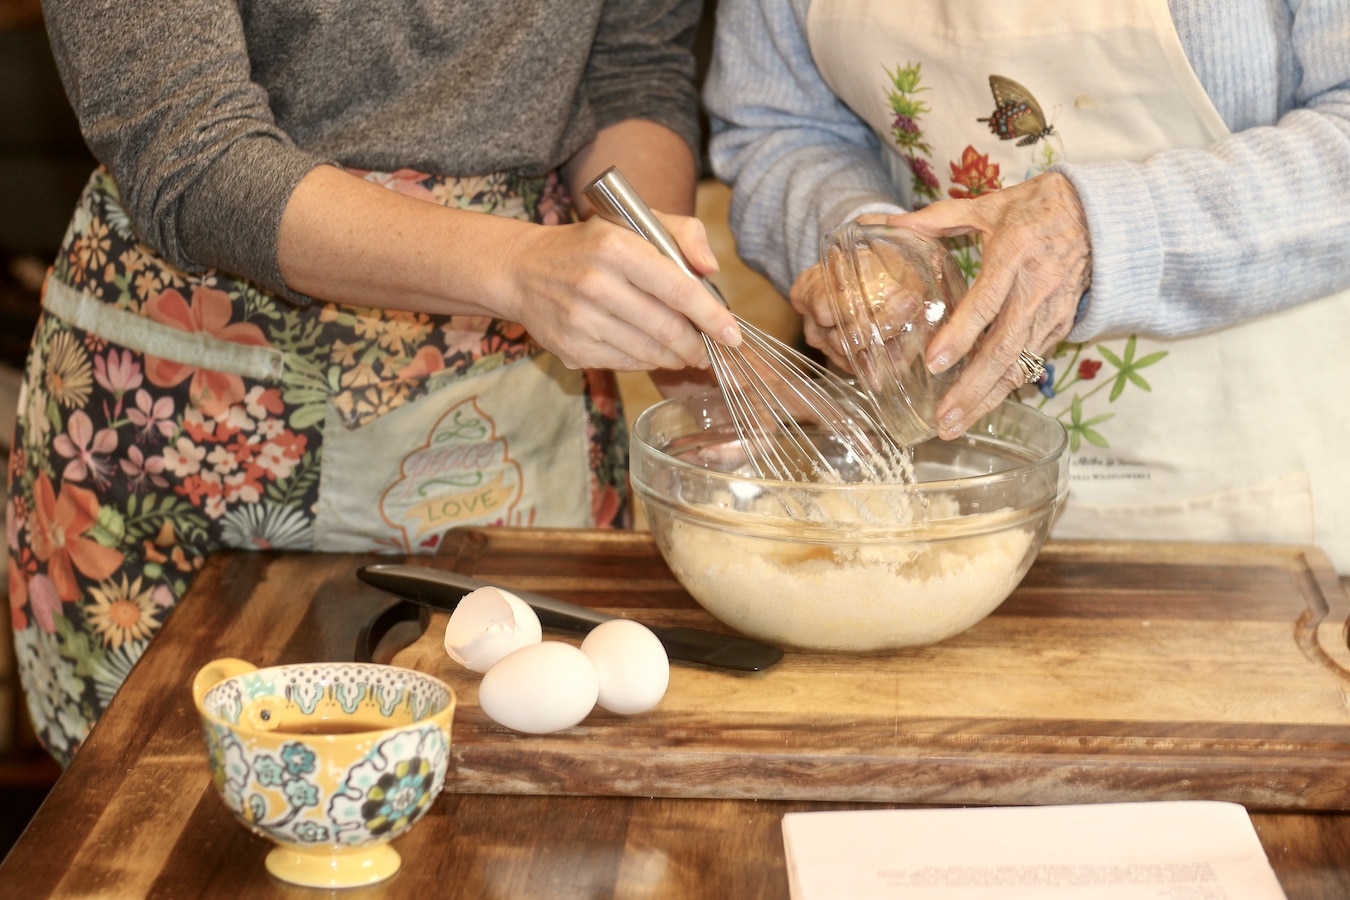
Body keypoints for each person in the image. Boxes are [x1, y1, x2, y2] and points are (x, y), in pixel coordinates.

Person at [7, 0, 738, 766]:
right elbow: (190, 149)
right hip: (196, 418)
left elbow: (632, 70)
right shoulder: (520, 271)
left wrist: (643, 279)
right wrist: (519, 270)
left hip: (514, 416)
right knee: (167, 824)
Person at [704, 1, 1350, 571]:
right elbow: (779, 126)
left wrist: (1097, 231)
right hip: (936, 508)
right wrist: (864, 242)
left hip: (1259, 512)